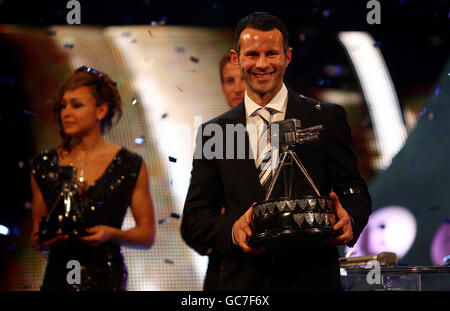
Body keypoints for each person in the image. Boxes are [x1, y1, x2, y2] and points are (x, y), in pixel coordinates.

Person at [181, 12, 371, 290]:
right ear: (236, 59)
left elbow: (354, 191)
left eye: (271, 53)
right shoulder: (217, 132)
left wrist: (349, 218)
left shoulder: (325, 118)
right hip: (242, 285)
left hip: (312, 280)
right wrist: (233, 230)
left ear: (288, 56)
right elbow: (195, 219)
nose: (262, 64)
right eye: (252, 54)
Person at [30, 66, 156, 291]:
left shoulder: (129, 165)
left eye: (76, 105)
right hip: (59, 278)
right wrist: (45, 240)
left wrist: (111, 234)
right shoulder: (44, 165)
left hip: (106, 278)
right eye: (63, 106)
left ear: (101, 110)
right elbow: (36, 235)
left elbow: (146, 235)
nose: (66, 112)